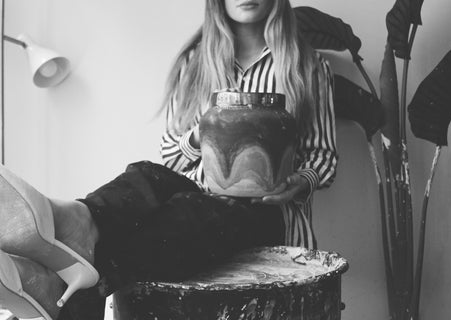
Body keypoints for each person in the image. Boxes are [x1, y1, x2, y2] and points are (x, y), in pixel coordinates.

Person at [0, 0, 337, 319]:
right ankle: (77, 221)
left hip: (268, 214)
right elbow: (172, 156)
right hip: (203, 198)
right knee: (148, 175)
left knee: (188, 210)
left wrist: (297, 183)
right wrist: (205, 129)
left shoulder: (306, 65)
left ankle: (56, 288)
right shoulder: (195, 63)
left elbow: (323, 157)